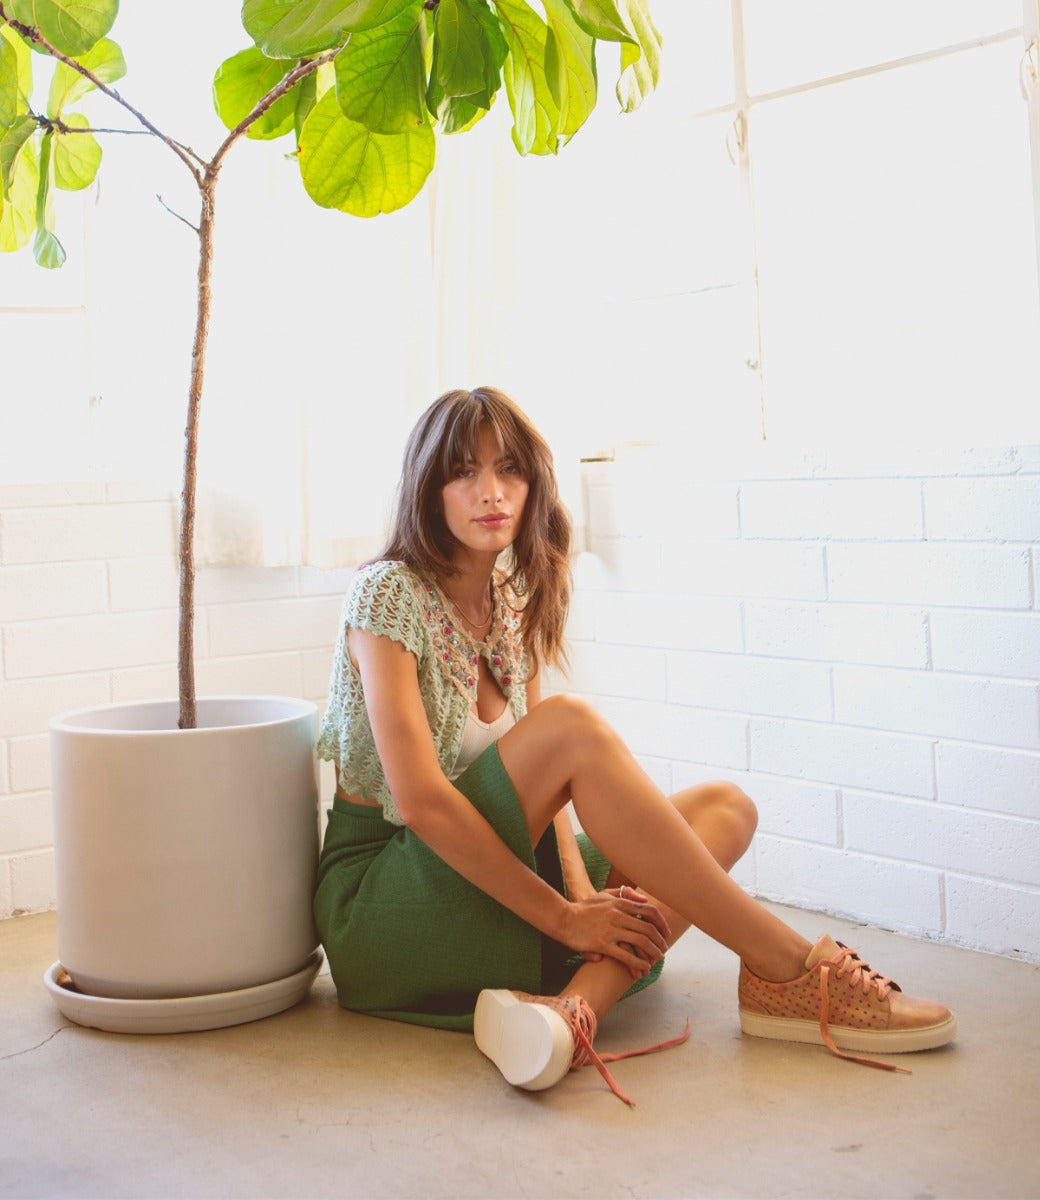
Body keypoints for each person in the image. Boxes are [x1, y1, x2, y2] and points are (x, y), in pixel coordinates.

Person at [314, 386, 955, 1106]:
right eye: (464, 471)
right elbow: (424, 801)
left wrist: (585, 891)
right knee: (572, 727)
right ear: (429, 490)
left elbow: (541, 787)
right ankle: (789, 968)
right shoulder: (387, 594)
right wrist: (562, 916)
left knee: (725, 809)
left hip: (487, 871)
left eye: (510, 470)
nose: (491, 492)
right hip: (384, 901)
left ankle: (573, 1013)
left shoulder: (506, 597)